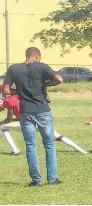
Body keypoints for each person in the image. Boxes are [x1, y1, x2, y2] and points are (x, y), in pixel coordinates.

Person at [2, 47, 63, 186]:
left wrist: (20, 90)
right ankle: (52, 179)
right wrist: (45, 84)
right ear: (36, 56)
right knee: (49, 144)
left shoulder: (14, 69)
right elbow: (59, 79)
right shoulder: (41, 66)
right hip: (42, 110)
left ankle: (36, 180)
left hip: (25, 112)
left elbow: (6, 90)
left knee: (30, 145)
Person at [1, 93, 88, 154]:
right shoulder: (28, 96)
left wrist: (3, 122)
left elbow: (9, 119)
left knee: (2, 127)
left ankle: (15, 150)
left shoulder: (9, 100)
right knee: (59, 137)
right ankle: (82, 151)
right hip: (42, 119)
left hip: (28, 123)